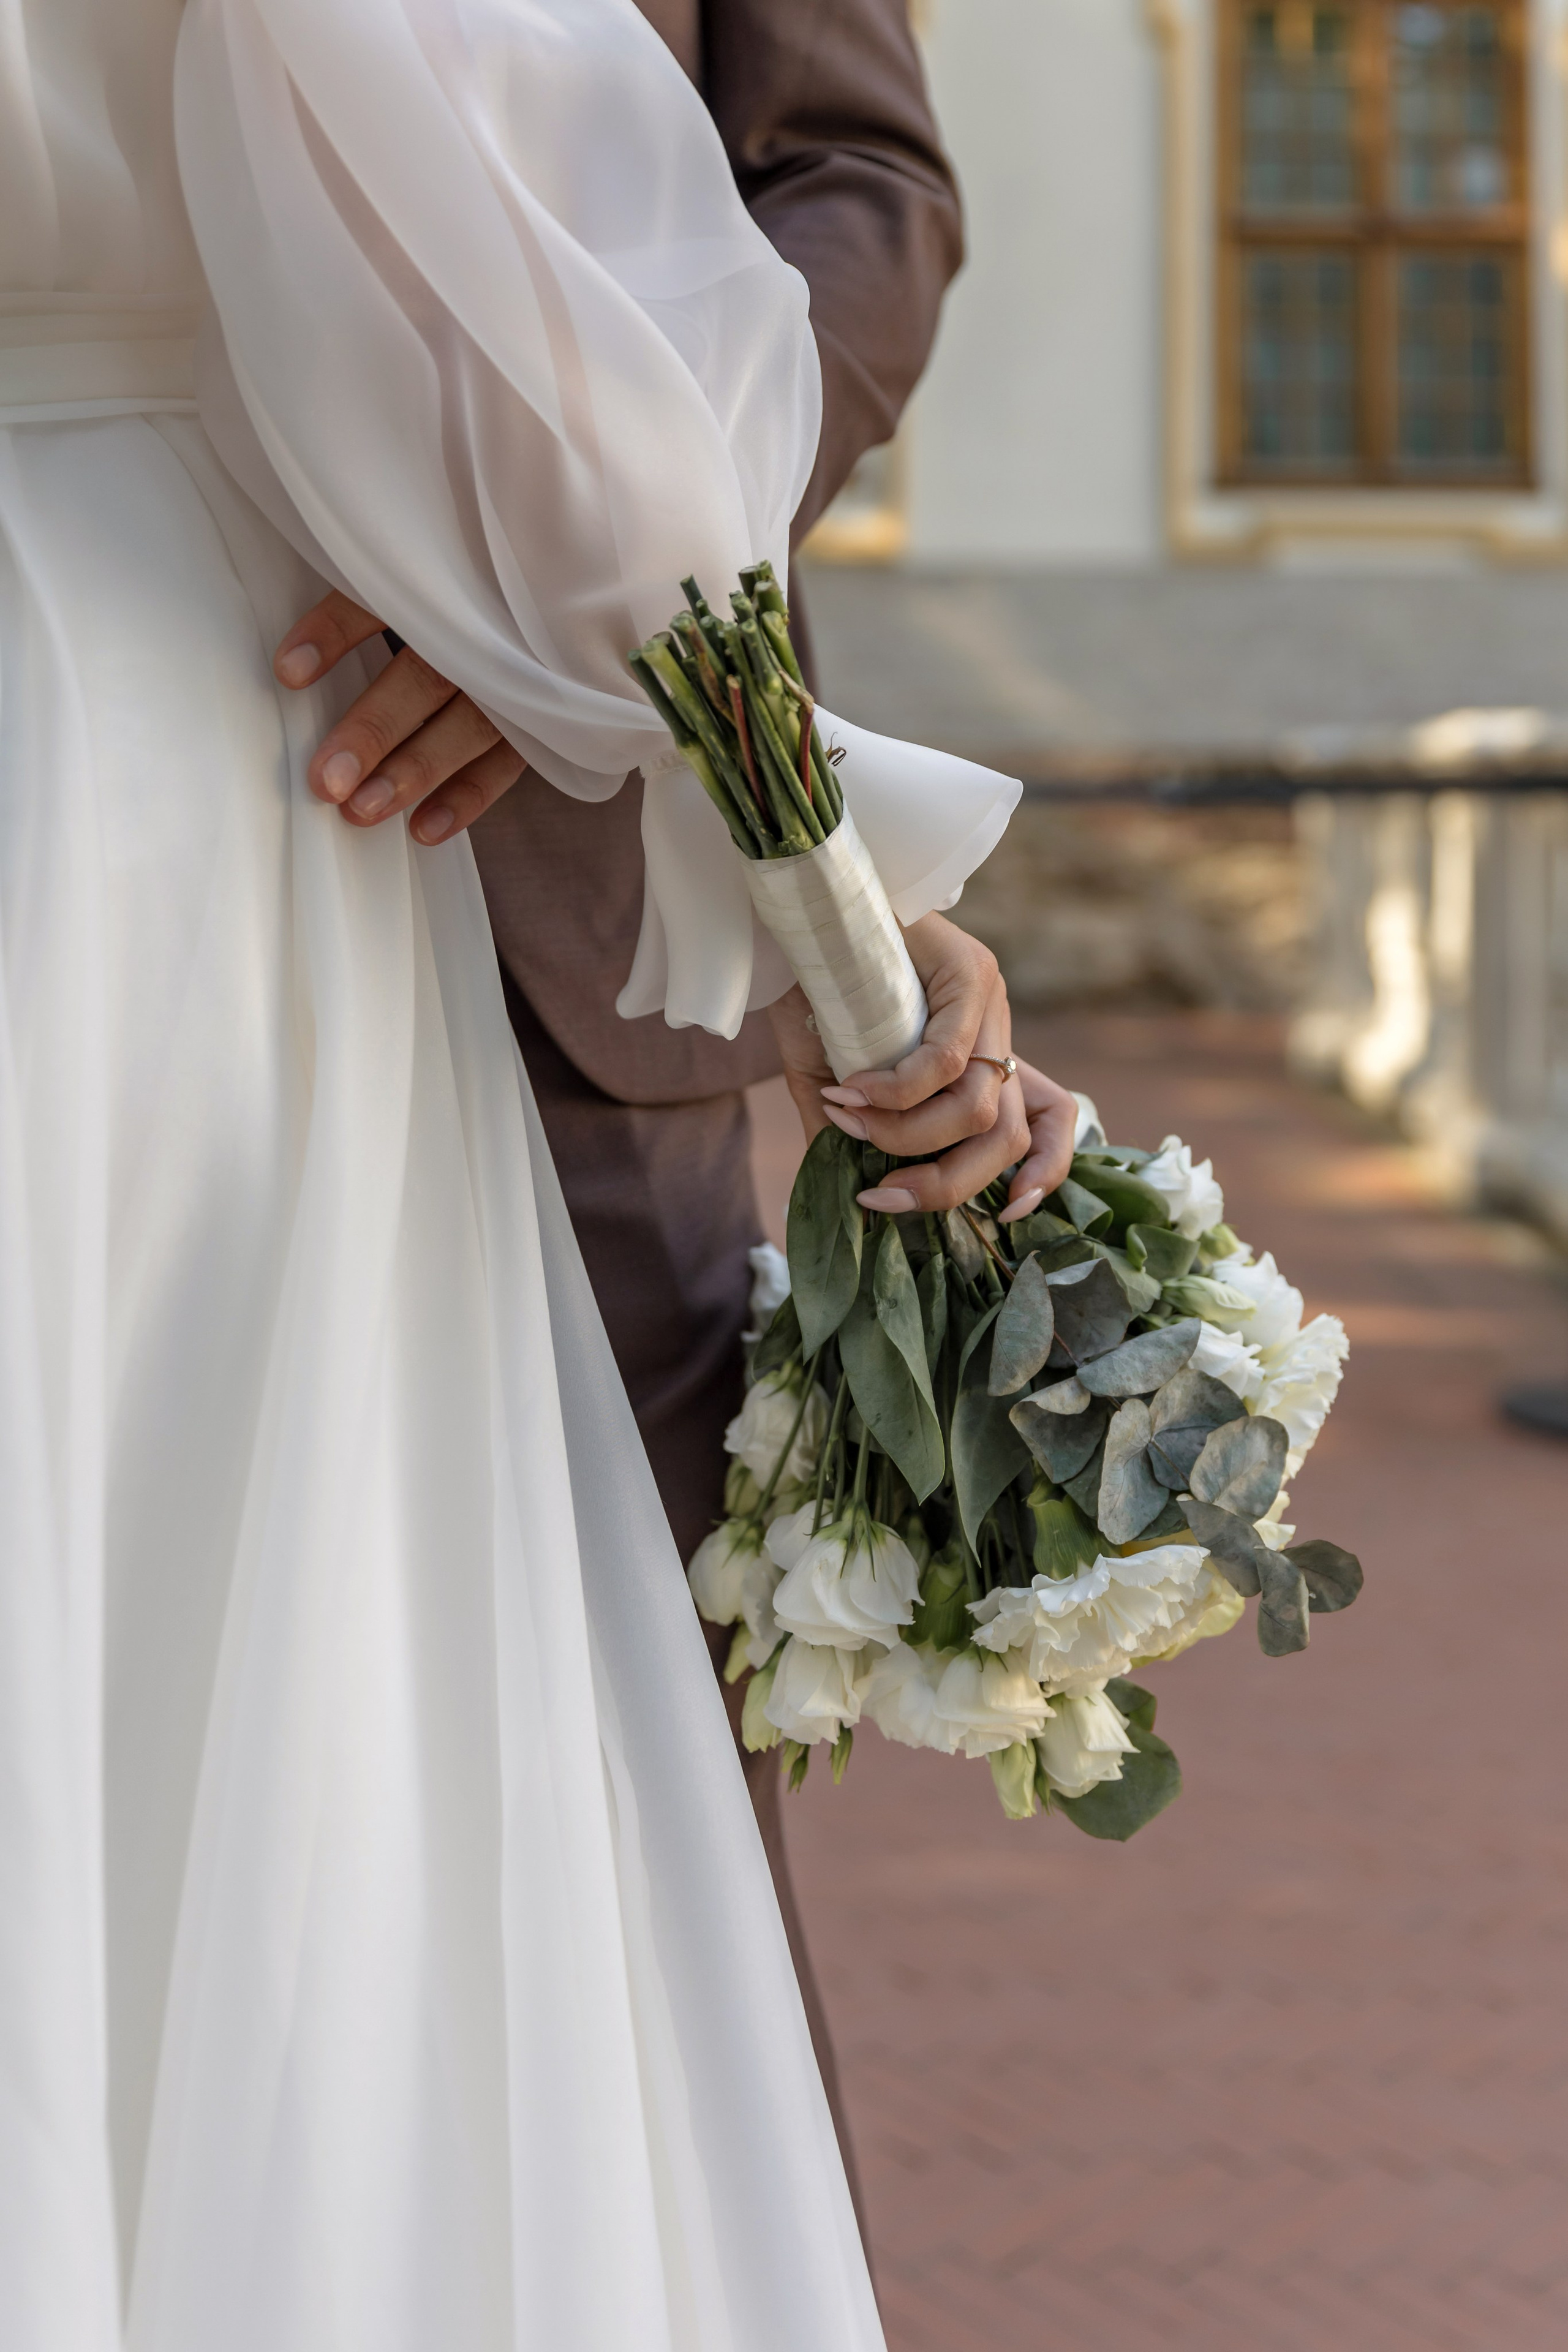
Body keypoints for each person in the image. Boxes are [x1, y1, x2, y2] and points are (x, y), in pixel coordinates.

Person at [0, 0, 1072, 2343]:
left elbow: (851, 198)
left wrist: (548, 626)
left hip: (538, 912)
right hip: (192, 850)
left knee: (602, 1870)